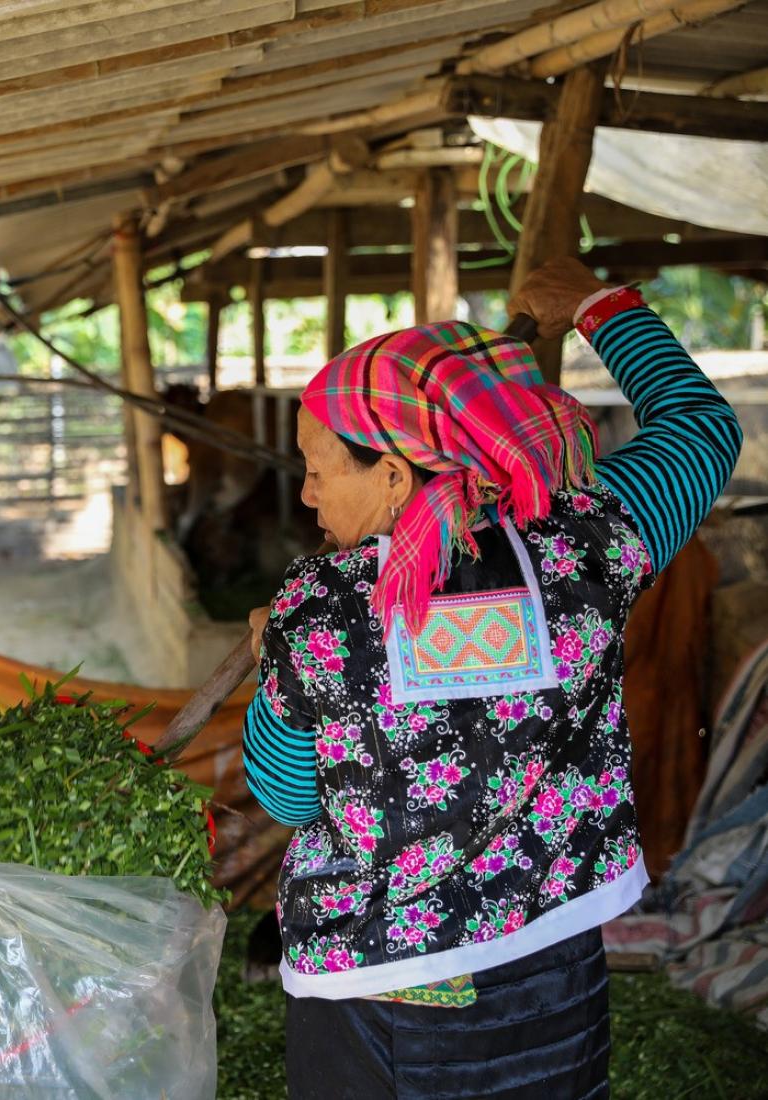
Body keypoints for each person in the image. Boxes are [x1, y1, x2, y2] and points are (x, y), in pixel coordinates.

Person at [242, 257, 741, 1098]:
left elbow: (290, 796)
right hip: (555, 965)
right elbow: (700, 430)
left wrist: (272, 668)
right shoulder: (589, 538)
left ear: (395, 474)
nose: (307, 493)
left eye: (322, 467)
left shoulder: (320, 607)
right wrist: (600, 307)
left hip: (379, 991)